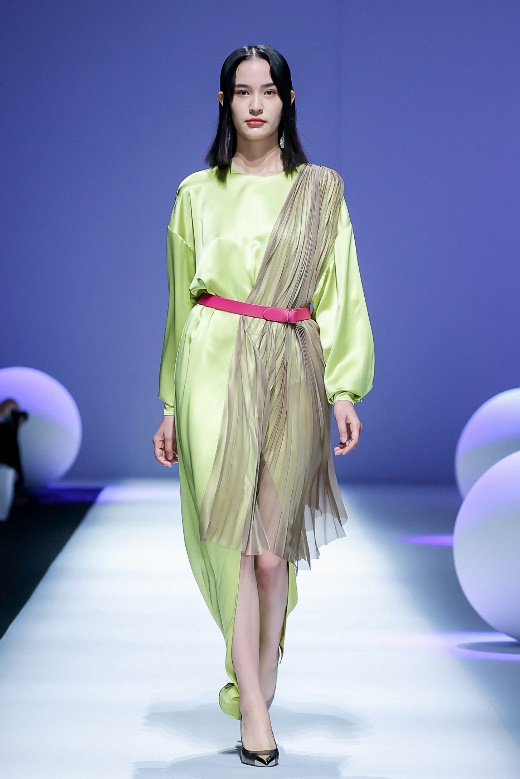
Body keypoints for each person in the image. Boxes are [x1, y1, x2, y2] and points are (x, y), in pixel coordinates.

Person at [153, 44, 374, 768]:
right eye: (243, 92)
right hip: (212, 364)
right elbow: (177, 303)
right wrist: (170, 402)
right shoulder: (195, 193)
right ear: (224, 103)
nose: (256, 104)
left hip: (291, 362)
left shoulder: (320, 190)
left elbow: (341, 290)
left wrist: (344, 388)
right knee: (237, 545)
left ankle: (263, 675)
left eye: (268, 91)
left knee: (274, 553)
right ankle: (254, 705)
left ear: (288, 100)